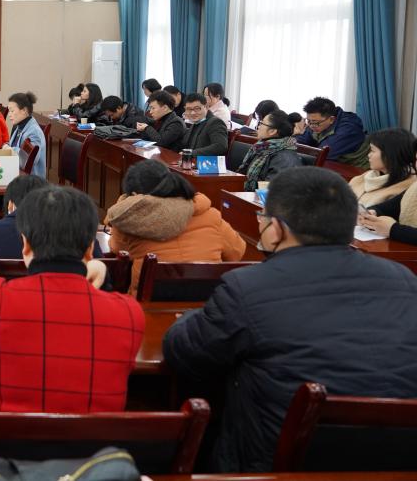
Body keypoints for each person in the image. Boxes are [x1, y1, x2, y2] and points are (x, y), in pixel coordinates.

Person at [165, 167, 417, 472]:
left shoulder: (248, 287)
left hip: (275, 467)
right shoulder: (404, 280)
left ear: (277, 229)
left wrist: (192, 316)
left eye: (262, 218)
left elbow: (184, 351)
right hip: (396, 466)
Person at [0, 185, 143, 415]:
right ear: (90, 249)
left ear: (26, 245)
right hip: (94, 440)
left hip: (0, 437)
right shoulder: (128, 315)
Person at [106, 160, 245, 296]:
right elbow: (237, 252)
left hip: (149, 303)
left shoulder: (130, 218)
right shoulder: (210, 215)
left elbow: (117, 249)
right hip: (207, 301)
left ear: (134, 195)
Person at [347, 128, 417, 208]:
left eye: (372, 150)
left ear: (390, 155)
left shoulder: (404, 190)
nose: (369, 155)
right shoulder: (364, 177)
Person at [239, 110, 303, 190]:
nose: (258, 126)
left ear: (272, 131)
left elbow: (271, 191)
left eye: (262, 123)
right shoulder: (261, 148)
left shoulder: (285, 159)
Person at [296, 96, 367, 165]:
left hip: (358, 167)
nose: (311, 126)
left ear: (331, 119)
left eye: (315, 122)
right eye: (308, 121)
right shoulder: (316, 122)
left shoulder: (348, 129)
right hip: (336, 163)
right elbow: (299, 142)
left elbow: (321, 155)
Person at [6, 91, 46, 177]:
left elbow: (28, 160)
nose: (9, 115)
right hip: (18, 173)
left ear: (24, 110)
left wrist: (9, 149)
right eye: (9, 111)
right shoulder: (20, 126)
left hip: (31, 180)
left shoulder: (34, 132)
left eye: (12, 111)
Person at [181, 93, 229, 157]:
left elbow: (221, 146)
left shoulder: (215, 122)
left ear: (206, 107)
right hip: (190, 161)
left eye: (197, 109)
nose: (192, 113)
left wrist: (191, 153)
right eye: (189, 109)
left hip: (205, 162)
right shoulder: (196, 122)